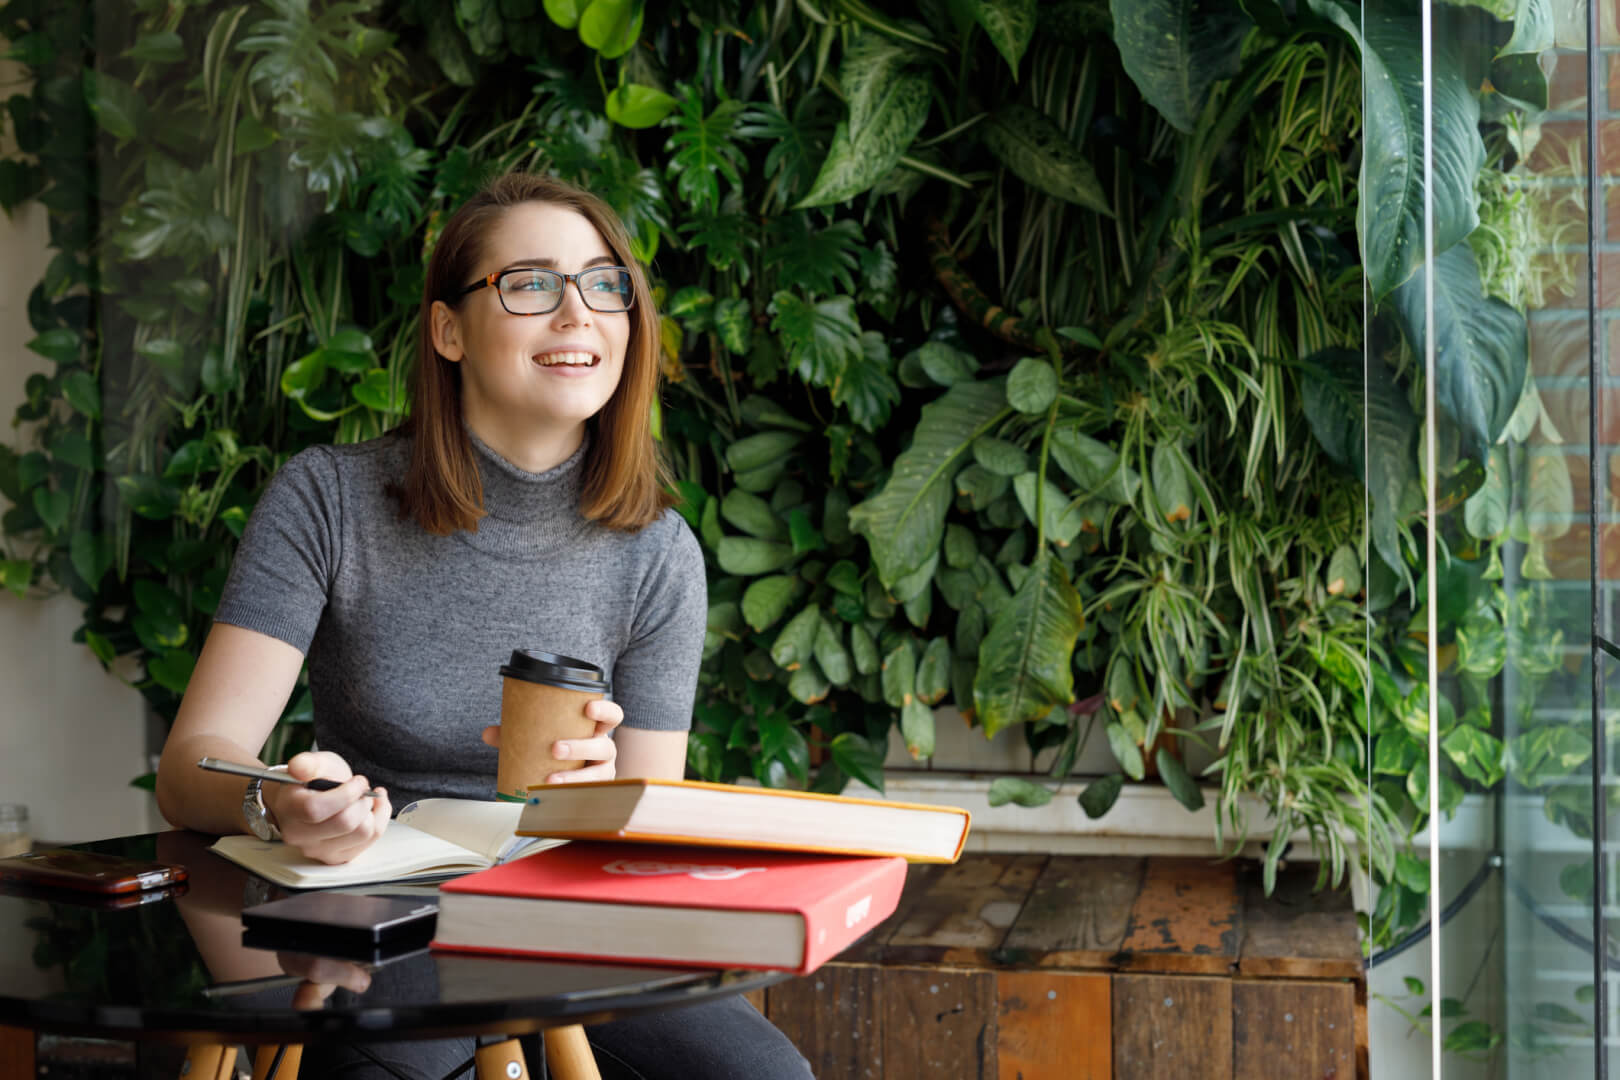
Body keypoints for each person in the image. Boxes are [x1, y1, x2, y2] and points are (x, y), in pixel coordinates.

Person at [154, 172, 815, 1080]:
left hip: (563, 921)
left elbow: (648, 823)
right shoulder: (328, 500)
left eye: (604, 282)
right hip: (375, 914)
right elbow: (193, 764)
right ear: (449, 329)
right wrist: (278, 802)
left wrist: (604, 789)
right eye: (532, 283)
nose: (578, 312)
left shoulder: (659, 551)